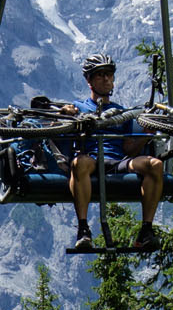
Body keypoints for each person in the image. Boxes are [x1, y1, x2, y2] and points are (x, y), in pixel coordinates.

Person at [55, 53, 163, 253]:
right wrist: (65, 114)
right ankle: (83, 229)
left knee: (155, 165)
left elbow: (128, 149)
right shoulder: (79, 108)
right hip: (92, 160)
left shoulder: (121, 112)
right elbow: (57, 127)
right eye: (100, 75)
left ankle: (146, 231)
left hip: (118, 161)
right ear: (90, 81)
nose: (106, 79)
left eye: (109, 75)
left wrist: (146, 135)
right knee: (80, 164)